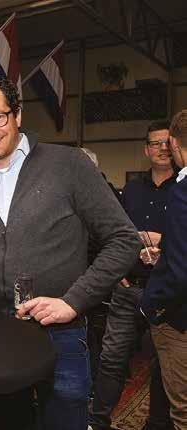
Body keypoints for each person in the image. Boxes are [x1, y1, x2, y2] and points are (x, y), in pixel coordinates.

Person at [0, 74, 139, 430]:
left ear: (17, 114)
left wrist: (73, 302)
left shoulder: (69, 164)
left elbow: (124, 239)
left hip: (62, 336)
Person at [89, 121, 176, 430]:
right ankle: (96, 421)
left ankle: (158, 423)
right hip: (128, 288)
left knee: (164, 365)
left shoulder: (183, 189)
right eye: (155, 143)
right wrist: (116, 274)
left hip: (167, 293)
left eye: (167, 142)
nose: (162, 149)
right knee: (111, 359)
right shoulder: (132, 190)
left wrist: (163, 241)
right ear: (146, 150)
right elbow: (112, 235)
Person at [141, 109, 187, 430]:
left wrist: (155, 306)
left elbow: (181, 273)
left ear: (173, 143)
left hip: (177, 316)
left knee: (182, 411)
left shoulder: (182, 190)